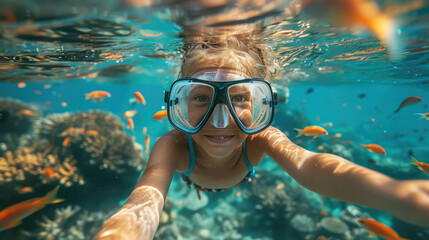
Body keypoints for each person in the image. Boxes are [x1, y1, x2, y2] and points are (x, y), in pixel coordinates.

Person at [95, 35, 429, 240]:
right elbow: (143, 200)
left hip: (242, 178)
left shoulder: (262, 137)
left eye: (239, 98)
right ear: (177, 103)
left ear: (260, 104)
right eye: (200, 98)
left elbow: (310, 164)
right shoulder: (172, 145)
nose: (220, 119)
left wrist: (394, 195)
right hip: (194, 180)